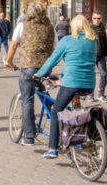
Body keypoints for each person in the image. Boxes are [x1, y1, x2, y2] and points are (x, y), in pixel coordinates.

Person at [36, 15, 97, 159]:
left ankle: (52, 148)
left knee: (57, 110)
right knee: (76, 109)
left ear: (73, 27)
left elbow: (52, 60)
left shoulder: (67, 40)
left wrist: (39, 74)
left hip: (71, 83)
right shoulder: (93, 41)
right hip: (89, 84)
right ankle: (82, 136)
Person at [6, 2, 54, 146]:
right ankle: (55, 114)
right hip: (44, 67)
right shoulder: (50, 27)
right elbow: (55, 46)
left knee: (27, 100)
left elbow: (14, 45)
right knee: (41, 90)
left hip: (28, 66)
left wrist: (8, 61)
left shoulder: (22, 25)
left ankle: (29, 137)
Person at [90, 12, 107, 102]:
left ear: (101, 19)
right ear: (92, 18)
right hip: (91, 55)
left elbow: (105, 42)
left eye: (98, 18)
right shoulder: (88, 27)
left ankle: (101, 95)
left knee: (104, 74)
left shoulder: (102, 27)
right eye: (95, 18)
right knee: (91, 75)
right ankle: (90, 94)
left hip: (101, 55)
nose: (96, 20)